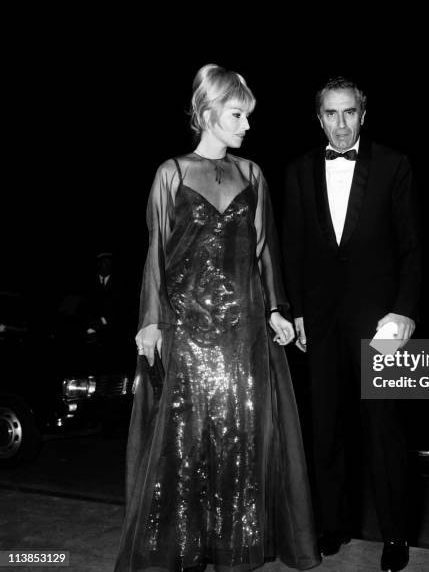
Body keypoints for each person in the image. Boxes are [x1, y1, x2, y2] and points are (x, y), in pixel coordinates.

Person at [115, 64, 320, 572]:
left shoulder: (253, 173)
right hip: (188, 329)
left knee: (242, 440)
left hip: (244, 331)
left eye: (247, 116)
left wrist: (276, 308)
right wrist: (151, 321)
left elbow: (266, 250)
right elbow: (155, 255)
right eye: (238, 114)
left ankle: (234, 548)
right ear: (207, 114)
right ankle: (182, 548)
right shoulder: (173, 172)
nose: (247, 125)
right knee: (184, 444)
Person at [282, 76, 421, 572]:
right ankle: (332, 525)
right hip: (319, 321)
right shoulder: (299, 170)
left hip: (379, 322)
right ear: (318, 118)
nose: (341, 125)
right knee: (327, 429)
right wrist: (295, 309)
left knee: (383, 430)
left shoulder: (393, 164)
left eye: (349, 113)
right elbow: (292, 247)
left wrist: (404, 309)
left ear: (364, 113)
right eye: (331, 114)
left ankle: (396, 534)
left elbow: (411, 247)